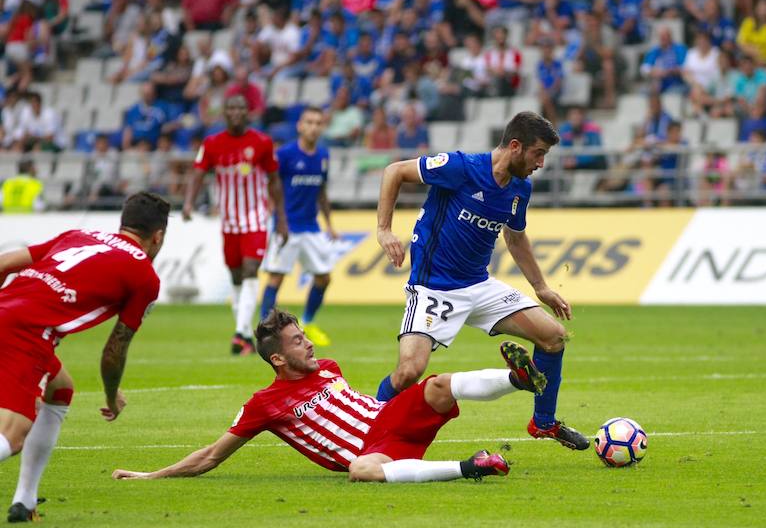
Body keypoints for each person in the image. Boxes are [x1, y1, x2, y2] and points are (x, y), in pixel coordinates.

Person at [111, 310, 544, 483]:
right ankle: (473, 467)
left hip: (390, 419)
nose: (310, 345)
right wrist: (150, 477)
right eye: (299, 342)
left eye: (306, 337)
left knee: (438, 383)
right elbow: (211, 456)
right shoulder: (264, 404)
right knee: (360, 470)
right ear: (278, 358)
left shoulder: (329, 368)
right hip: (377, 452)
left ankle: (519, 380)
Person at [374, 111, 589, 451]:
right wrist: (384, 229)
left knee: (553, 337)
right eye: (538, 154)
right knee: (408, 372)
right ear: (515, 146)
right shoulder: (460, 167)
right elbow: (394, 171)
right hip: (434, 287)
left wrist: (541, 287)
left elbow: (516, 239)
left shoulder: (520, 189)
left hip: (479, 285)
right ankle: (366, 426)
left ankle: (543, 423)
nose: (541, 164)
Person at [0, 192, 170, 522]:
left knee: (60, 389)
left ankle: (25, 501)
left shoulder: (78, 235)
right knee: (12, 435)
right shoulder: (144, 276)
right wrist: (111, 397)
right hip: (27, 334)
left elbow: (4, 263)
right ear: (158, 236)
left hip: (7, 312)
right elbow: (113, 351)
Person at [183, 95, 288, 356]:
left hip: (255, 218)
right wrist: (188, 203)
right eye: (231, 108)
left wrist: (282, 219)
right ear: (225, 113)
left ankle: (241, 333)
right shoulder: (212, 144)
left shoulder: (261, 142)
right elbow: (198, 173)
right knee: (236, 276)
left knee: (251, 269)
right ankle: (242, 331)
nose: (236, 112)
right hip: (228, 222)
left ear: (248, 112)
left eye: (241, 107)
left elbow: (274, 180)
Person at [259, 107, 336, 346]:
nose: (313, 127)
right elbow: (272, 185)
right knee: (276, 279)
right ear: (300, 126)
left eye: (318, 123)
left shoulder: (323, 155)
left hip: (311, 227)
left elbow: (321, 191)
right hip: (287, 227)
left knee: (324, 278)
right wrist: (277, 219)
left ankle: (307, 322)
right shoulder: (285, 155)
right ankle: (265, 334)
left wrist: (330, 224)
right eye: (309, 122)